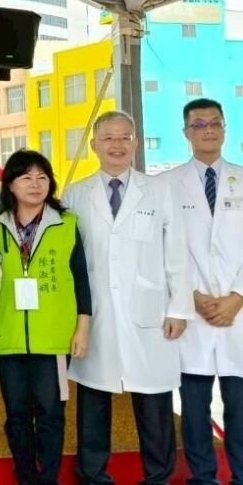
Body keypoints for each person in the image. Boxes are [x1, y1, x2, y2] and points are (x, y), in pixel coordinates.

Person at [64, 110, 192, 485]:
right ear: (94, 145)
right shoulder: (75, 194)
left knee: (153, 402)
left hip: (150, 313)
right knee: (94, 400)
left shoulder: (160, 191)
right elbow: (71, 261)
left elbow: (177, 253)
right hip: (95, 315)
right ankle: (93, 476)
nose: (117, 145)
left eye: (125, 137)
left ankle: (158, 477)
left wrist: (179, 308)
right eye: (108, 138)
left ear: (135, 143)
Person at [0, 149, 91, 485]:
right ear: (10, 185)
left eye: (42, 177)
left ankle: (49, 479)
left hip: (54, 338)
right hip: (7, 335)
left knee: (51, 413)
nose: (35, 184)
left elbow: (81, 279)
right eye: (26, 177)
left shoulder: (66, 224)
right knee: (16, 414)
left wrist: (82, 327)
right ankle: (26, 476)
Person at [158, 98, 243, 484]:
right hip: (191, 311)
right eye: (199, 124)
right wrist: (190, 295)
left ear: (224, 129)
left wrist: (237, 297)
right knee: (194, 409)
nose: (208, 130)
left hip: (237, 312)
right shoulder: (166, 185)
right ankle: (203, 478)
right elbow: (161, 248)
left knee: (239, 408)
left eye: (215, 123)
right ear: (186, 132)